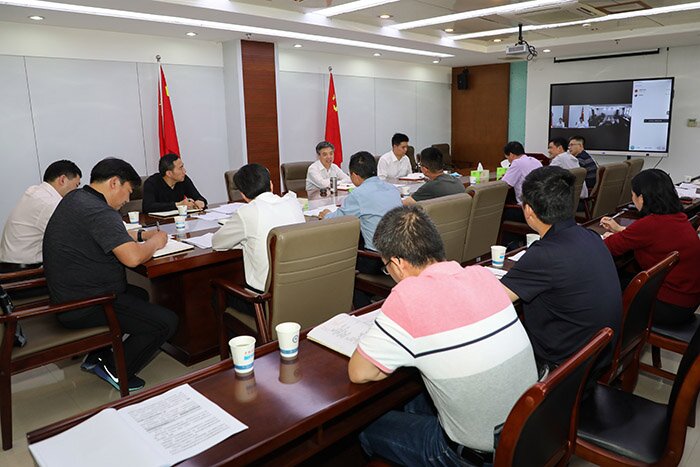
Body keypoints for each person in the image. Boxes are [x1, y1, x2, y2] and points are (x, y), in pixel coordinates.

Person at [349, 206, 537, 465]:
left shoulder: (408, 297)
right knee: (413, 401)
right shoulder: (482, 275)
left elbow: (359, 373)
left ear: (398, 263)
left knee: (367, 427)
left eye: (386, 267)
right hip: (529, 433)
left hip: (475, 455)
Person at [43, 158, 178, 392]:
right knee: (167, 322)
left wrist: (141, 237)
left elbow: (107, 235)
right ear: (115, 183)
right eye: (128, 191)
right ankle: (115, 369)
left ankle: (97, 355)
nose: (128, 199)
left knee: (139, 295)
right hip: (85, 304)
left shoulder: (78, 198)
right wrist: (156, 241)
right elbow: (133, 258)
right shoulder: (98, 210)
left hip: (68, 296)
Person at [500, 166, 621, 375]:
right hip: (598, 354)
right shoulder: (590, 236)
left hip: (563, 369)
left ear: (528, 210)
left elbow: (495, 299)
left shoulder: (545, 254)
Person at [600, 169, 700, 325]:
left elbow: (607, 248)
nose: (632, 199)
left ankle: (608, 332)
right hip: (687, 300)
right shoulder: (677, 217)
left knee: (605, 285)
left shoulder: (650, 224)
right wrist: (621, 231)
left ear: (641, 198)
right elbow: (654, 236)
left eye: (633, 194)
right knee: (622, 278)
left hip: (669, 306)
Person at [212, 163, 305, 294]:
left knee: (217, 291)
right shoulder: (292, 202)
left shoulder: (247, 212)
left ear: (243, 195)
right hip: (300, 288)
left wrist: (244, 243)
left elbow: (217, 243)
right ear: (271, 185)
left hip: (263, 297)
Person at [319, 151, 401, 274]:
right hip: (400, 254)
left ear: (354, 175)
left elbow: (337, 220)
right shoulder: (392, 189)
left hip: (377, 260)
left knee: (336, 257)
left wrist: (326, 215)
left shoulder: (358, 194)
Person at [0, 160, 82, 266]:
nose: (76, 192)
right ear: (62, 180)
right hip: (25, 271)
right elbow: (72, 237)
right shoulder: (49, 203)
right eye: (76, 185)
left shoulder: (35, 192)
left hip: (9, 265)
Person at [142, 153, 207, 213]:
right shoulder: (151, 183)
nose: (184, 171)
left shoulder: (183, 179)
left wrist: (200, 202)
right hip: (157, 220)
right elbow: (148, 207)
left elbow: (199, 197)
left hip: (180, 219)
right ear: (169, 173)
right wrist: (178, 205)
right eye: (180, 168)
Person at [501, 141, 542, 223]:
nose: (508, 161)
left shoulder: (517, 162)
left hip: (526, 210)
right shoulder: (535, 161)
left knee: (499, 212)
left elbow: (505, 185)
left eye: (507, 158)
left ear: (511, 155)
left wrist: (503, 177)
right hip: (540, 207)